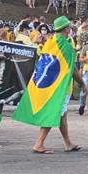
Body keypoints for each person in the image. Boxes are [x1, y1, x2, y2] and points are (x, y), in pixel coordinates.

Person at [31, 16, 83, 154]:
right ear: (66, 29)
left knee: (62, 115)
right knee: (54, 112)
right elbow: (73, 71)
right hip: (60, 87)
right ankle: (39, 143)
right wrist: (83, 84)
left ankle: (68, 143)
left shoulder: (50, 42)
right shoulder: (66, 47)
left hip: (48, 85)